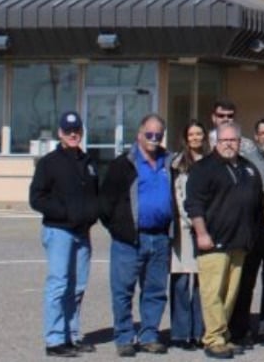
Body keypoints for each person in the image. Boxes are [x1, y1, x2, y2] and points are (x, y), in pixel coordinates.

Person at [184, 121, 264, 359]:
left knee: (230, 295)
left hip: (239, 243)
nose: (229, 144)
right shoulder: (203, 169)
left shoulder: (248, 168)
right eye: (224, 140)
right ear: (215, 142)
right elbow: (194, 205)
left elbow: (257, 203)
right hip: (214, 242)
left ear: (240, 142)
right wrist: (201, 233)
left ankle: (223, 335)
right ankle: (213, 339)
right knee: (213, 294)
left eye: (233, 140)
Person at [99, 113, 175, 357]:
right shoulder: (122, 165)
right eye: (150, 134)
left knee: (155, 290)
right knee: (123, 290)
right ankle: (123, 337)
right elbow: (105, 204)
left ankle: (149, 335)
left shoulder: (169, 162)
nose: (154, 139)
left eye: (158, 135)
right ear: (139, 135)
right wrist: (119, 229)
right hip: (129, 240)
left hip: (160, 237)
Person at [30, 111, 99, 358]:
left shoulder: (88, 161)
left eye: (77, 130)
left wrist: (93, 213)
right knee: (59, 284)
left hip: (82, 233)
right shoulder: (49, 163)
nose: (73, 134)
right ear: (60, 133)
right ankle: (55, 339)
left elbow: (95, 194)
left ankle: (73, 334)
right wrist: (65, 212)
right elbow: (36, 198)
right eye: (68, 130)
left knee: (78, 286)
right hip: (59, 231)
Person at [233, 117, 264, 347]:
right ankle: (241, 329)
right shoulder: (245, 162)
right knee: (246, 282)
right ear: (256, 136)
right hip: (252, 232)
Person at [170, 121, 210, 351]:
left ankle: (199, 331)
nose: (195, 138)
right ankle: (179, 332)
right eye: (191, 134)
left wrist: (203, 224)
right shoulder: (178, 163)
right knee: (181, 282)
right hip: (184, 230)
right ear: (185, 138)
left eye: (199, 133)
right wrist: (191, 221)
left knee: (201, 285)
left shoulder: (210, 162)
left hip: (205, 229)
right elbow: (178, 195)